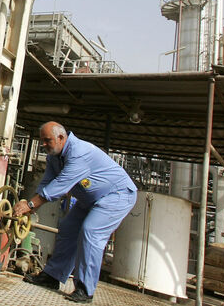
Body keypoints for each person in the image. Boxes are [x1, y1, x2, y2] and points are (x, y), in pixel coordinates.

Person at [13, 121, 137, 303]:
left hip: (116, 195)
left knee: (91, 231)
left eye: (47, 140)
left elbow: (60, 186)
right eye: (42, 141)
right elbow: (46, 184)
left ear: (61, 138)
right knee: (68, 228)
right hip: (90, 199)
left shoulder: (79, 153)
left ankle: (85, 290)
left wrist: (30, 205)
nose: (43, 145)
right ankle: (52, 277)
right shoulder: (54, 157)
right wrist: (30, 206)